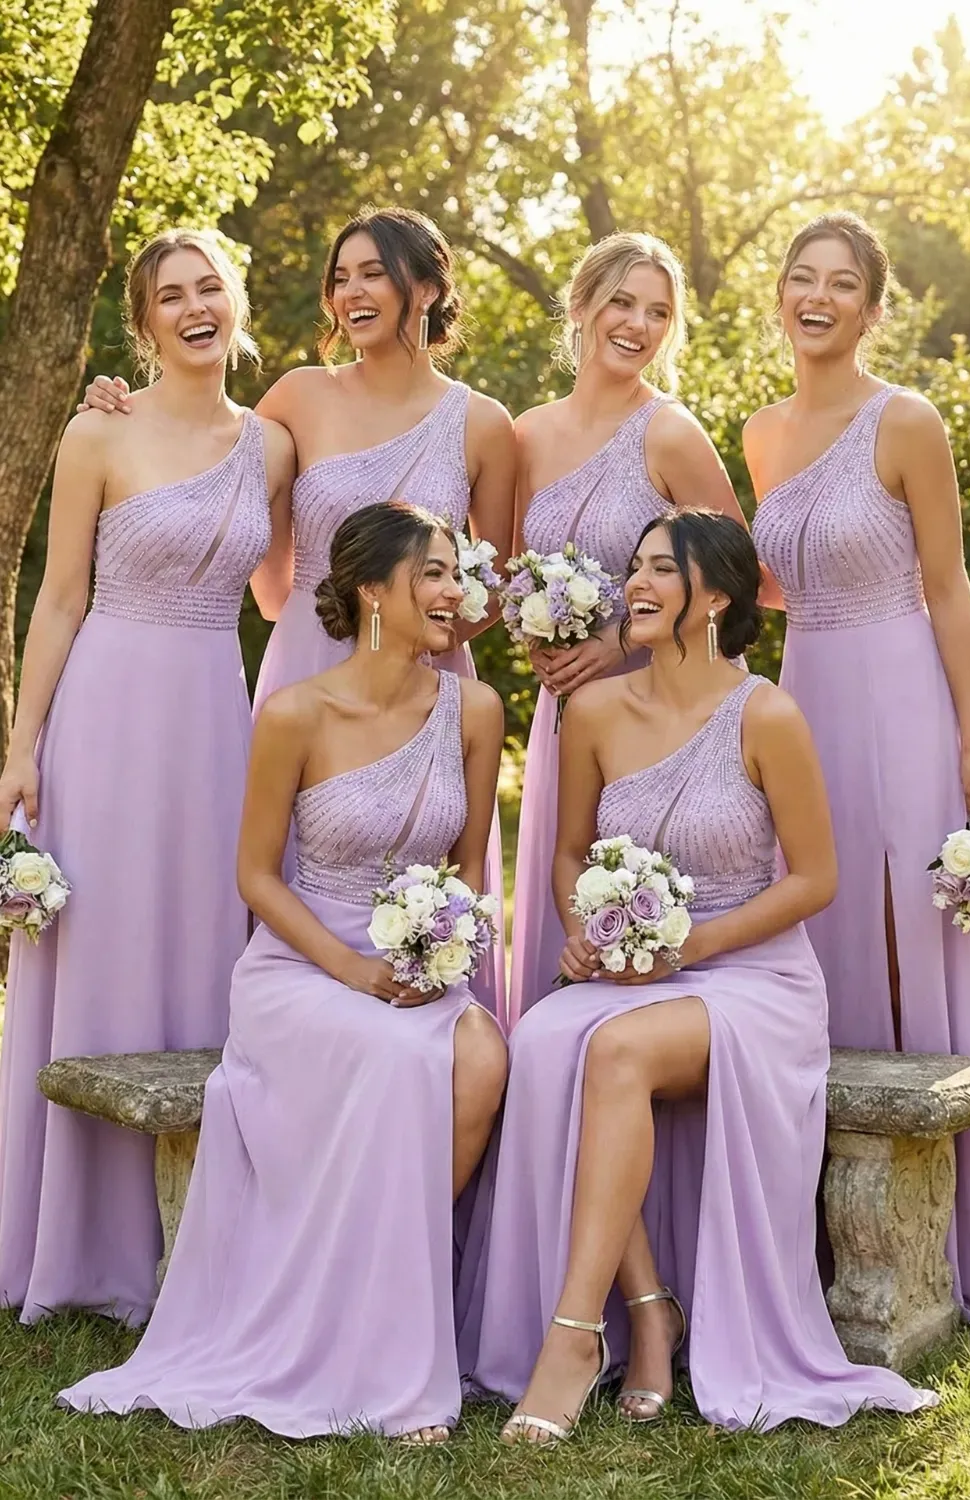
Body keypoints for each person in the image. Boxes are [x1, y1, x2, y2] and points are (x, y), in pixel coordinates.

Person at [464, 511, 936, 1441]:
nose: (633, 584)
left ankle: (570, 1338)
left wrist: (688, 949)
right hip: (633, 973)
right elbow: (564, 854)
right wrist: (584, 931)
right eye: (633, 567)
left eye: (658, 571)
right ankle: (646, 1309)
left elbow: (814, 879)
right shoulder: (592, 711)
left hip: (751, 978)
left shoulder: (767, 714)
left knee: (615, 1048)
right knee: (548, 1037)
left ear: (715, 596)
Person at [58, 502, 508, 1442]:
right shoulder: (297, 712)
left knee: (483, 1062)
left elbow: (467, 868)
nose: (454, 592)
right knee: (390, 1061)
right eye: (433, 572)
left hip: (420, 964)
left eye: (455, 572)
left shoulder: (473, 709)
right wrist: (349, 965)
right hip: (304, 965)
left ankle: (369, 1299)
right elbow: (257, 877)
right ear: (373, 591)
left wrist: (441, 950)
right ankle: (376, 1348)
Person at [79, 206, 514, 1025]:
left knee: (430, 878)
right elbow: (217, 470)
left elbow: (493, 584)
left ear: (423, 287)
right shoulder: (295, 400)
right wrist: (119, 398)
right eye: (339, 277)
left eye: (372, 274)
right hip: (311, 654)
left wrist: (433, 623)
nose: (350, 292)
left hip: (428, 678)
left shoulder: (484, 424)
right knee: (281, 870)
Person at [0, 228, 295, 1325]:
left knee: (200, 942)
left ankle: (200, 1230)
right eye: (169, 296)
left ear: (238, 298)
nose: (193, 307)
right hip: (110, 710)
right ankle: (80, 1247)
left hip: (216, 718)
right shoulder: (97, 432)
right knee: (107, 946)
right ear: (145, 322)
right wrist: (23, 745)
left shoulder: (269, 449)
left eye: (209, 285)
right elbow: (60, 597)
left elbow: (285, 595)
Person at [747, 210, 970, 1318]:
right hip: (805, 696)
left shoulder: (908, 421)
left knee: (912, 927)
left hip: (898, 691)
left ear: (872, 307)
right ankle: (828, 1236)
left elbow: (948, 590)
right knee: (817, 926)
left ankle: (953, 1235)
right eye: (800, 278)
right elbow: (754, 581)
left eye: (839, 283)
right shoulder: (757, 434)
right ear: (780, 298)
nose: (816, 296)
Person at [508, 231, 774, 1025]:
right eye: (622, 302)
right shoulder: (526, 433)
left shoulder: (669, 431)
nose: (637, 323)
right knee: (574, 881)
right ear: (582, 306)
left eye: (658, 312)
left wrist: (620, 640)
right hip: (569, 705)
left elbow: (736, 572)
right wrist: (537, 634)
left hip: (664, 701)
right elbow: (511, 567)